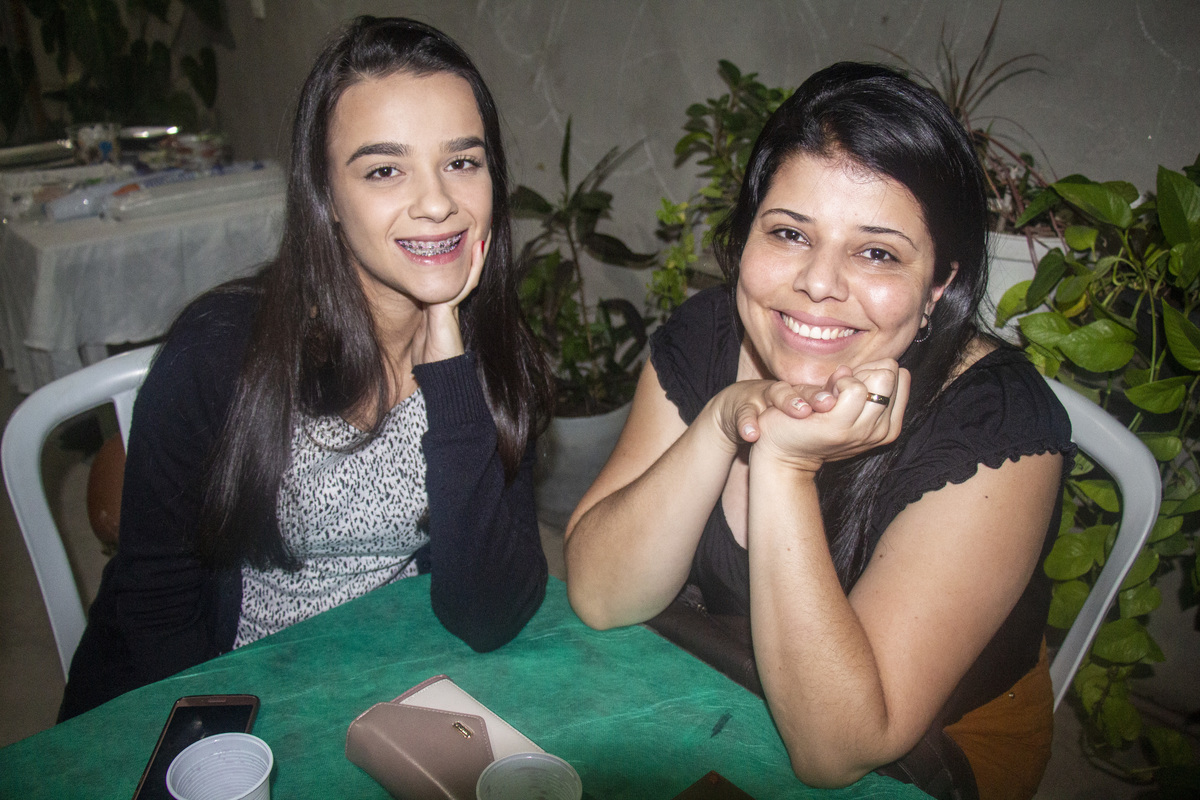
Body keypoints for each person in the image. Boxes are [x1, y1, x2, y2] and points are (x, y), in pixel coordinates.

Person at [563, 62, 1073, 800]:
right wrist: (721, 421)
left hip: (935, 752)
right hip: (731, 679)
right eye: (789, 233)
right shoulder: (709, 334)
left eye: (877, 252)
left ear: (939, 285)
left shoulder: (997, 421)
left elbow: (838, 749)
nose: (818, 283)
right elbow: (601, 595)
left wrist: (783, 464)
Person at [60, 16, 552, 720]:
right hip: (227, 695)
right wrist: (228, 744)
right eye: (384, 170)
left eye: (462, 162)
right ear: (326, 198)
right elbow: (156, 606)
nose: (438, 202)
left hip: (385, 687)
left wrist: (450, 371)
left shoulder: (492, 353)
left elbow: (488, 613)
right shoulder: (220, 351)